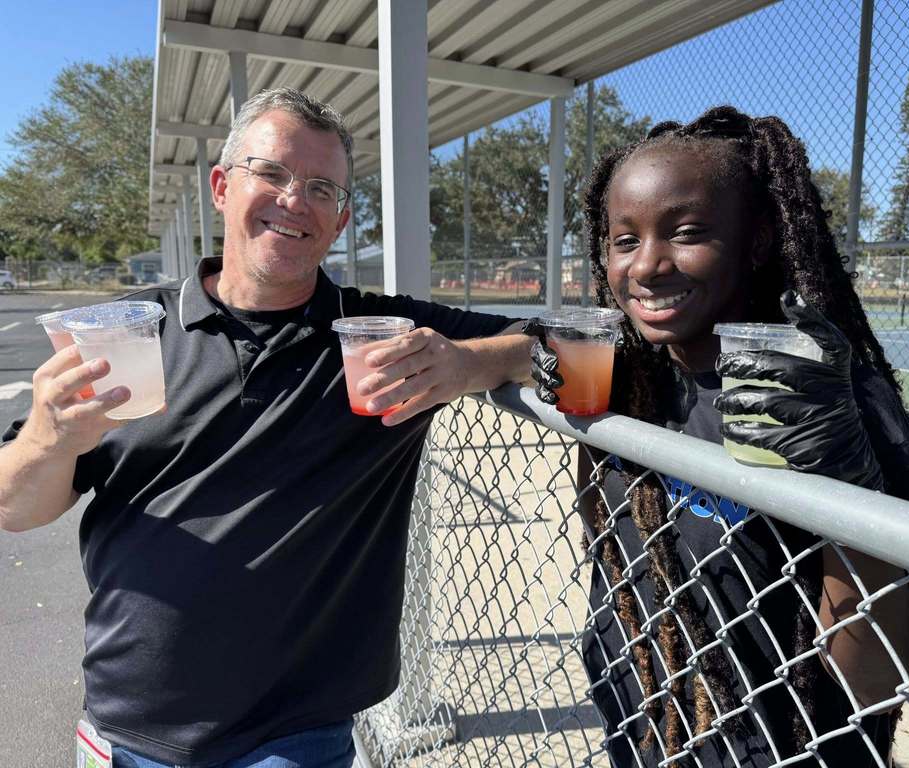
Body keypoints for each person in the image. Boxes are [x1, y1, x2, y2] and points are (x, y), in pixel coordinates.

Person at [0, 88, 533, 768]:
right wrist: (50, 437)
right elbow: (15, 508)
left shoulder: (382, 340)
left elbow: (547, 336)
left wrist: (466, 364)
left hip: (294, 736)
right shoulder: (129, 330)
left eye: (321, 188)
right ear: (223, 187)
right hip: (125, 726)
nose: (294, 200)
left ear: (339, 223)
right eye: (272, 174)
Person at [529, 107, 909, 767]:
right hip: (648, 731)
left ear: (758, 239)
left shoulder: (826, 400)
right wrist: (512, 356)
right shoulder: (623, 377)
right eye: (624, 240)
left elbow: (877, 682)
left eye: (686, 232)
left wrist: (848, 489)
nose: (647, 266)